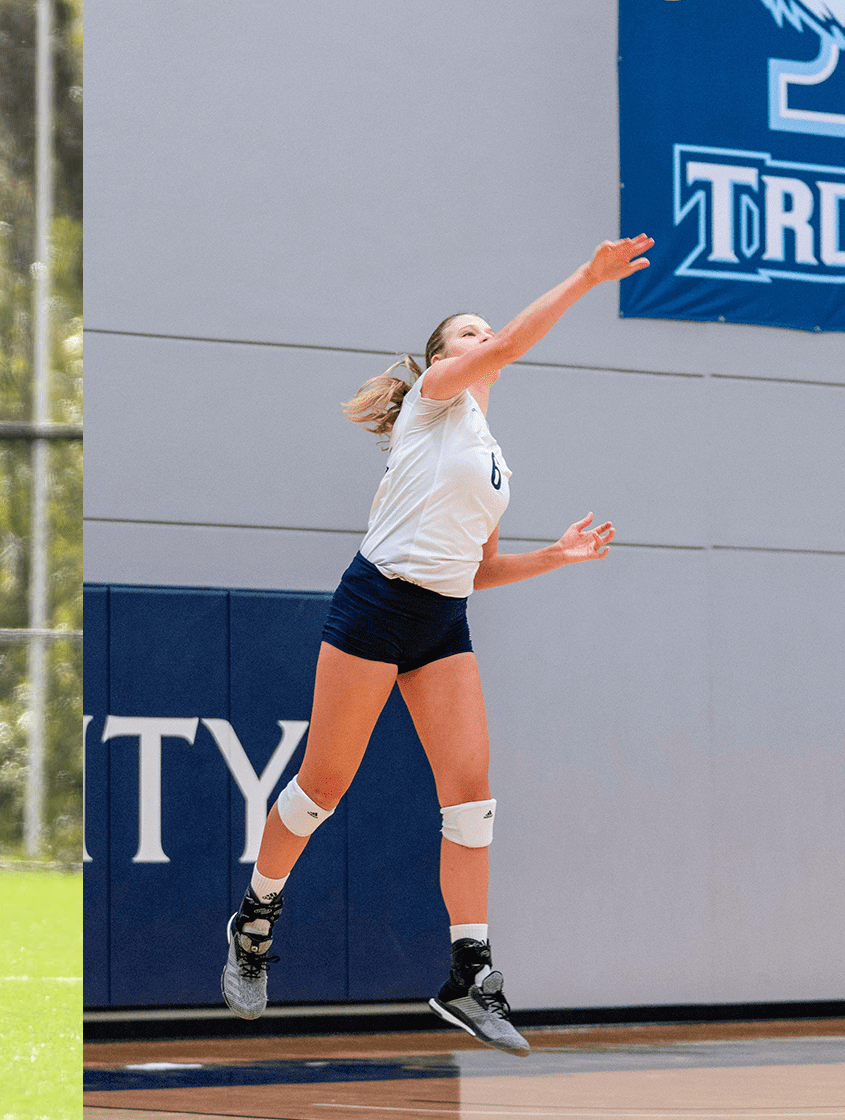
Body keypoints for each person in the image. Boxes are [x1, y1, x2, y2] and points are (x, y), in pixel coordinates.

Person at [219, 235, 654, 1054]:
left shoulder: (491, 461)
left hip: (442, 620)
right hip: (378, 603)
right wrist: (590, 278)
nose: (482, 340)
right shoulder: (435, 401)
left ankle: (470, 974)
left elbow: (478, 569)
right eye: (467, 333)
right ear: (435, 360)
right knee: (322, 788)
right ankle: (255, 920)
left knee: (472, 798)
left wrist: (555, 558)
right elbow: (518, 343)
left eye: (484, 332)